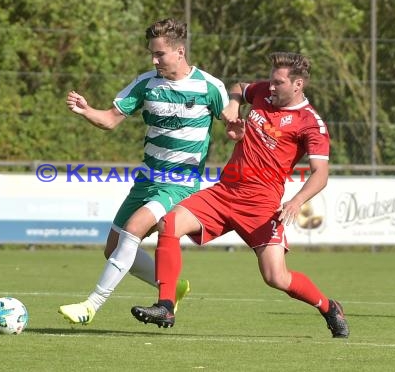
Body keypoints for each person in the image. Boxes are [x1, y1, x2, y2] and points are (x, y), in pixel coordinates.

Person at [131, 52, 350, 338]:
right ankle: (166, 305)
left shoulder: (310, 123)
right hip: (225, 192)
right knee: (169, 224)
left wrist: (296, 201)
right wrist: (234, 107)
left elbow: (320, 173)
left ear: (298, 84)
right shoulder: (262, 92)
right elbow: (237, 87)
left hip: (262, 205)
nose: (271, 87)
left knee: (276, 277)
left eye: (279, 83)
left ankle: (328, 307)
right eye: (271, 81)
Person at [58, 18, 229, 325]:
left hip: (179, 183)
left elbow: (233, 125)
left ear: (179, 51)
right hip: (146, 182)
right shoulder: (146, 83)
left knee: (133, 230)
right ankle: (171, 286)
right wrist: (86, 111)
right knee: (113, 247)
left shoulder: (210, 87)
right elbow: (110, 119)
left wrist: (240, 130)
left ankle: (91, 305)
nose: (154, 59)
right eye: (152, 53)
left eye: (160, 53)